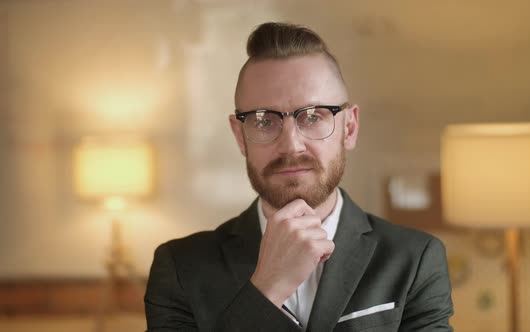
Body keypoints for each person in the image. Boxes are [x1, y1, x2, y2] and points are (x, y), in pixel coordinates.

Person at [144, 22, 454, 332]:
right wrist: (266, 288)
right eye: (264, 121)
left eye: (313, 116)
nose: (291, 145)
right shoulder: (179, 267)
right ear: (240, 136)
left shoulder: (415, 259)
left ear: (349, 128)